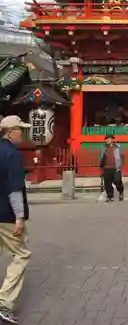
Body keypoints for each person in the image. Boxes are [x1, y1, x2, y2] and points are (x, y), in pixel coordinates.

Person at [0, 115, 33, 325]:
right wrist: (19, 217)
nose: (22, 133)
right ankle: (4, 302)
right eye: (20, 129)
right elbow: (14, 189)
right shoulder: (11, 154)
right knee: (22, 254)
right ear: (11, 131)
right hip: (6, 215)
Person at [99, 135, 124, 202]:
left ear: (112, 140)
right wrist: (101, 165)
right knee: (108, 183)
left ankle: (121, 192)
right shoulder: (104, 147)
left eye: (109, 139)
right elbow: (101, 157)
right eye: (106, 139)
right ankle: (110, 196)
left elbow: (121, 156)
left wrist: (120, 165)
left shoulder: (118, 147)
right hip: (106, 167)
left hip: (116, 167)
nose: (107, 140)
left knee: (117, 181)